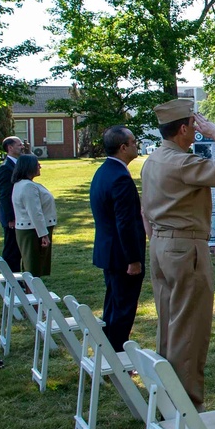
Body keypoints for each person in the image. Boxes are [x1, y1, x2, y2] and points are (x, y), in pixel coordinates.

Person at [140, 98, 215, 411]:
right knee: (191, 326)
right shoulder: (182, 161)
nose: (197, 128)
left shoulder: (154, 159)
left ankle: (165, 396)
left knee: (169, 323)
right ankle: (185, 405)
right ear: (184, 128)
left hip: (160, 245)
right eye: (194, 124)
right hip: (185, 247)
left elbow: (145, 209)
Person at [90, 126, 146, 351]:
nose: (136, 145)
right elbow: (125, 222)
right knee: (123, 309)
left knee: (113, 305)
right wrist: (133, 259)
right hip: (122, 255)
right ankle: (118, 357)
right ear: (123, 147)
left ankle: (107, 350)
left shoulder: (103, 171)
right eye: (133, 142)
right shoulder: (120, 177)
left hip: (108, 250)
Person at [11, 154, 57, 277]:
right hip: (32, 231)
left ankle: (30, 293)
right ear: (29, 167)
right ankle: (31, 294)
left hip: (30, 229)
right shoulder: (28, 186)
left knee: (31, 265)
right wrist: (43, 234)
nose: (40, 166)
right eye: (37, 164)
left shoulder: (22, 184)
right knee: (33, 267)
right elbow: (35, 212)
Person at [0, 136, 24, 271]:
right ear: (10, 148)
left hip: (19, 214)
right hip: (11, 217)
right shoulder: (5, 168)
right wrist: (10, 218)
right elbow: (5, 195)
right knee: (11, 249)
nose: (22, 146)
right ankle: (10, 279)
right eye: (19, 145)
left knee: (18, 248)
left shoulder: (18, 164)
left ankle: (17, 277)